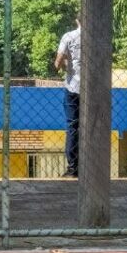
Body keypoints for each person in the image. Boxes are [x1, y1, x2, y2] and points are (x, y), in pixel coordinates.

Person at [54, 19, 81, 178]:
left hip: (73, 87)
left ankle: (73, 168)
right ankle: (91, 165)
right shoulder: (96, 38)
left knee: (73, 127)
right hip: (92, 88)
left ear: (77, 20)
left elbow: (58, 63)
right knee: (92, 126)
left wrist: (65, 65)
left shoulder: (68, 37)